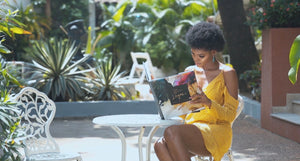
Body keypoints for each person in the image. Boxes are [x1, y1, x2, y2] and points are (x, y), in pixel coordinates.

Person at [153, 21, 239, 161]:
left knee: (171, 132)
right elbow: (182, 112)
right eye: (193, 54)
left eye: (201, 56)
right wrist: (165, 99)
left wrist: (209, 103)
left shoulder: (227, 73)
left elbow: (230, 115)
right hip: (192, 130)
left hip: (216, 130)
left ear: (213, 51)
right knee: (159, 145)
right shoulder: (190, 72)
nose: (196, 59)